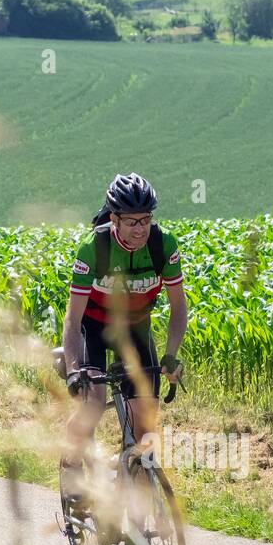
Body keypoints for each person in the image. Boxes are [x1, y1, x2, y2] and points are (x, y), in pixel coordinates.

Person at [59, 172, 188, 508]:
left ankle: (135, 515)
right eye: (131, 222)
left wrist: (171, 357)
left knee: (146, 431)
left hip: (136, 329)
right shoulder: (94, 249)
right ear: (113, 219)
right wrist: (74, 370)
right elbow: (73, 319)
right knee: (93, 401)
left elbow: (178, 310)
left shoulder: (163, 246)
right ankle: (71, 466)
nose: (140, 229)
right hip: (95, 327)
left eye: (146, 220)